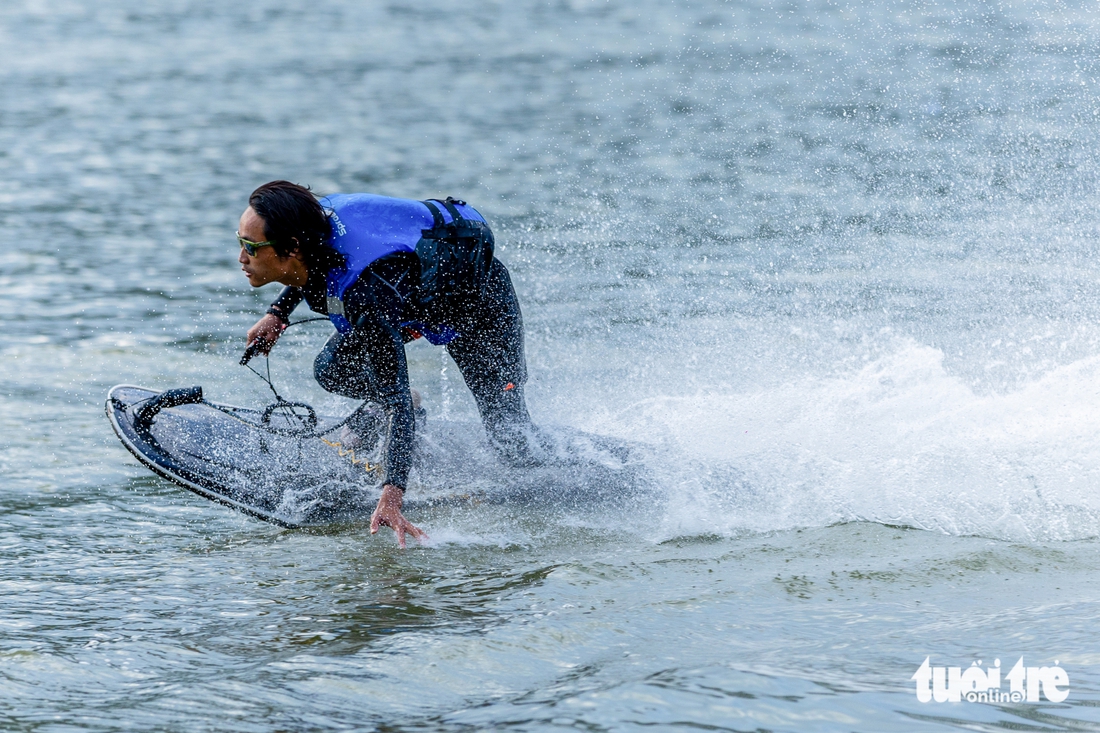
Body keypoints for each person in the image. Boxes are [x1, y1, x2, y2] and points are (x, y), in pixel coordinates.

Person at [238, 180, 535, 547]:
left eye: (251, 247)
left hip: (480, 305)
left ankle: (587, 468)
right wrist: (277, 313)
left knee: (513, 443)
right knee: (332, 369)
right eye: (240, 243)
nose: (241, 257)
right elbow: (308, 268)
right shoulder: (310, 232)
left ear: (292, 246)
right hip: (410, 298)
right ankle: (397, 419)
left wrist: (392, 497)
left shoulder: (366, 293)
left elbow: (394, 394)